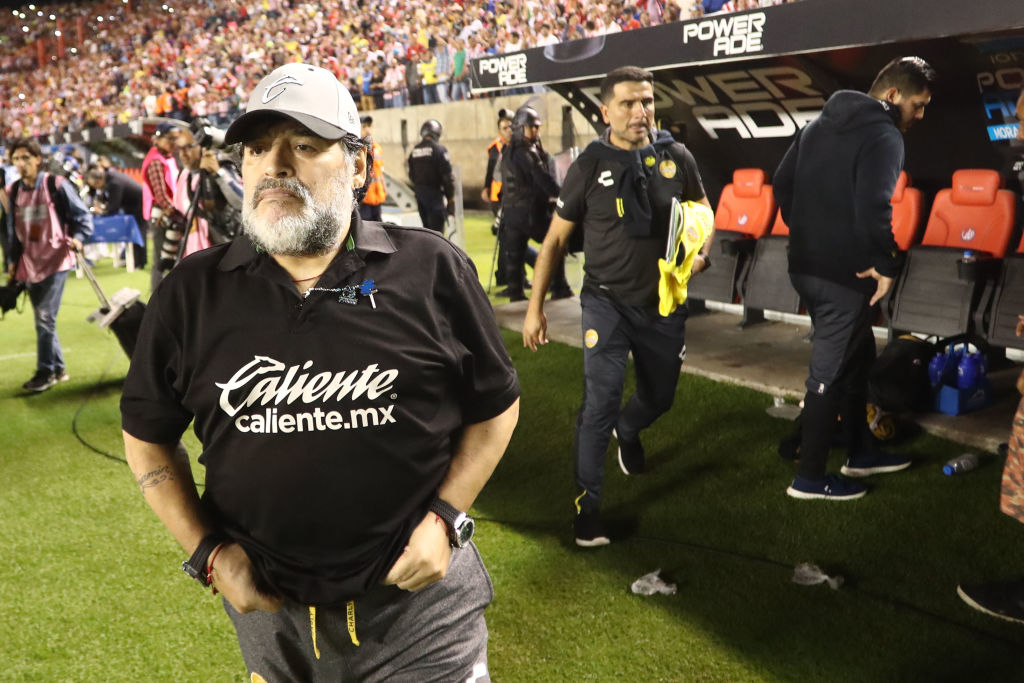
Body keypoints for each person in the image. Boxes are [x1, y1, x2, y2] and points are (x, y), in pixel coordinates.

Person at [120, 62, 519, 682]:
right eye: (257, 148)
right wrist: (207, 553)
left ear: (358, 165)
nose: (275, 165)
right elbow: (147, 435)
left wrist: (448, 516)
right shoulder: (191, 293)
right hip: (272, 624)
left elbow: (495, 407)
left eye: (304, 145)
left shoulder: (432, 271)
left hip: (421, 616)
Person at [522, 66, 713, 546]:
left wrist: (700, 252)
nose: (640, 112)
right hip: (605, 303)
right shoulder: (588, 166)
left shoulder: (677, 157)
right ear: (606, 111)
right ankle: (587, 510)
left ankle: (629, 430)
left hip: (664, 304)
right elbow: (554, 243)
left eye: (646, 101)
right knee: (599, 401)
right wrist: (535, 308)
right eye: (628, 103)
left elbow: (703, 213)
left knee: (660, 398)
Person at [773, 56, 936, 500]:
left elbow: (781, 182)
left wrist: (809, 231)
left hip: (805, 265)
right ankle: (809, 478)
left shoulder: (817, 126)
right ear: (892, 95)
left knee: (859, 357)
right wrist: (887, 263)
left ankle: (860, 453)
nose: (919, 116)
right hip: (844, 273)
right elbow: (874, 207)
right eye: (917, 106)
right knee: (829, 371)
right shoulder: (883, 134)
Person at [5, 138, 94, 392]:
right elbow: (13, 230)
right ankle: (58, 368)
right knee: (44, 319)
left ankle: (45, 372)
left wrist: (78, 238)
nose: (21, 164)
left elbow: (83, 216)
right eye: (16, 159)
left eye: (25, 158)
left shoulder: (55, 184)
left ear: (37, 159)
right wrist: (12, 262)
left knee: (45, 318)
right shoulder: (14, 192)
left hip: (57, 260)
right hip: (30, 264)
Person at [500, 105, 572, 303]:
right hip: (530, 212)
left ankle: (515, 294)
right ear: (520, 128)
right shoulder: (526, 151)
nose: (535, 131)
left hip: (513, 212)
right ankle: (559, 286)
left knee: (515, 254)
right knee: (555, 242)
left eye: (537, 127)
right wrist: (560, 195)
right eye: (531, 127)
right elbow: (541, 177)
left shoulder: (509, 151)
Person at [157, 128, 244, 270]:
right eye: (180, 148)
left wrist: (218, 173)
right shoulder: (184, 176)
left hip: (222, 253)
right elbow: (182, 217)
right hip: (193, 256)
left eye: (189, 147)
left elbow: (243, 202)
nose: (183, 154)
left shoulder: (220, 167)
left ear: (203, 147)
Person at [142, 122, 184, 290]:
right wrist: (177, 213)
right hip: (163, 216)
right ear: (158, 139)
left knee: (174, 259)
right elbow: (160, 195)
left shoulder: (168, 158)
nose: (174, 143)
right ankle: (157, 303)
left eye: (176, 139)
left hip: (171, 213)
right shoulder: (156, 162)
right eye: (170, 139)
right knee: (161, 261)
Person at [85, 164, 148, 269]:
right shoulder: (110, 177)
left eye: (95, 185)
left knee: (139, 232)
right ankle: (135, 261)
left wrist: (102, 210)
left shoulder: (114, 183)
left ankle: (139, 262)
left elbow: (114, 207)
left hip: (138, 205)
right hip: (134, 204)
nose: (97, 188)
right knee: (137, 232)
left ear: (99, 180)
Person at [407, 119, 455, 233]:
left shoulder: (414, 151)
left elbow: (411, 176)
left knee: (427, 233)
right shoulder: (439, 150)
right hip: (435, 198)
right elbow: (448, 178)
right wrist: (451, 199)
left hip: (420, 197)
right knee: (437, 235)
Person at [359, 115, 387, 223]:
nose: (367, 130)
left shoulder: (377, 149)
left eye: (369, 126)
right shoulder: (357, 149)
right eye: (364, 126)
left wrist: (384, 187)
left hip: (377, 196)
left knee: (378, 224)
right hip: (364, 199)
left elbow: (380, 172)